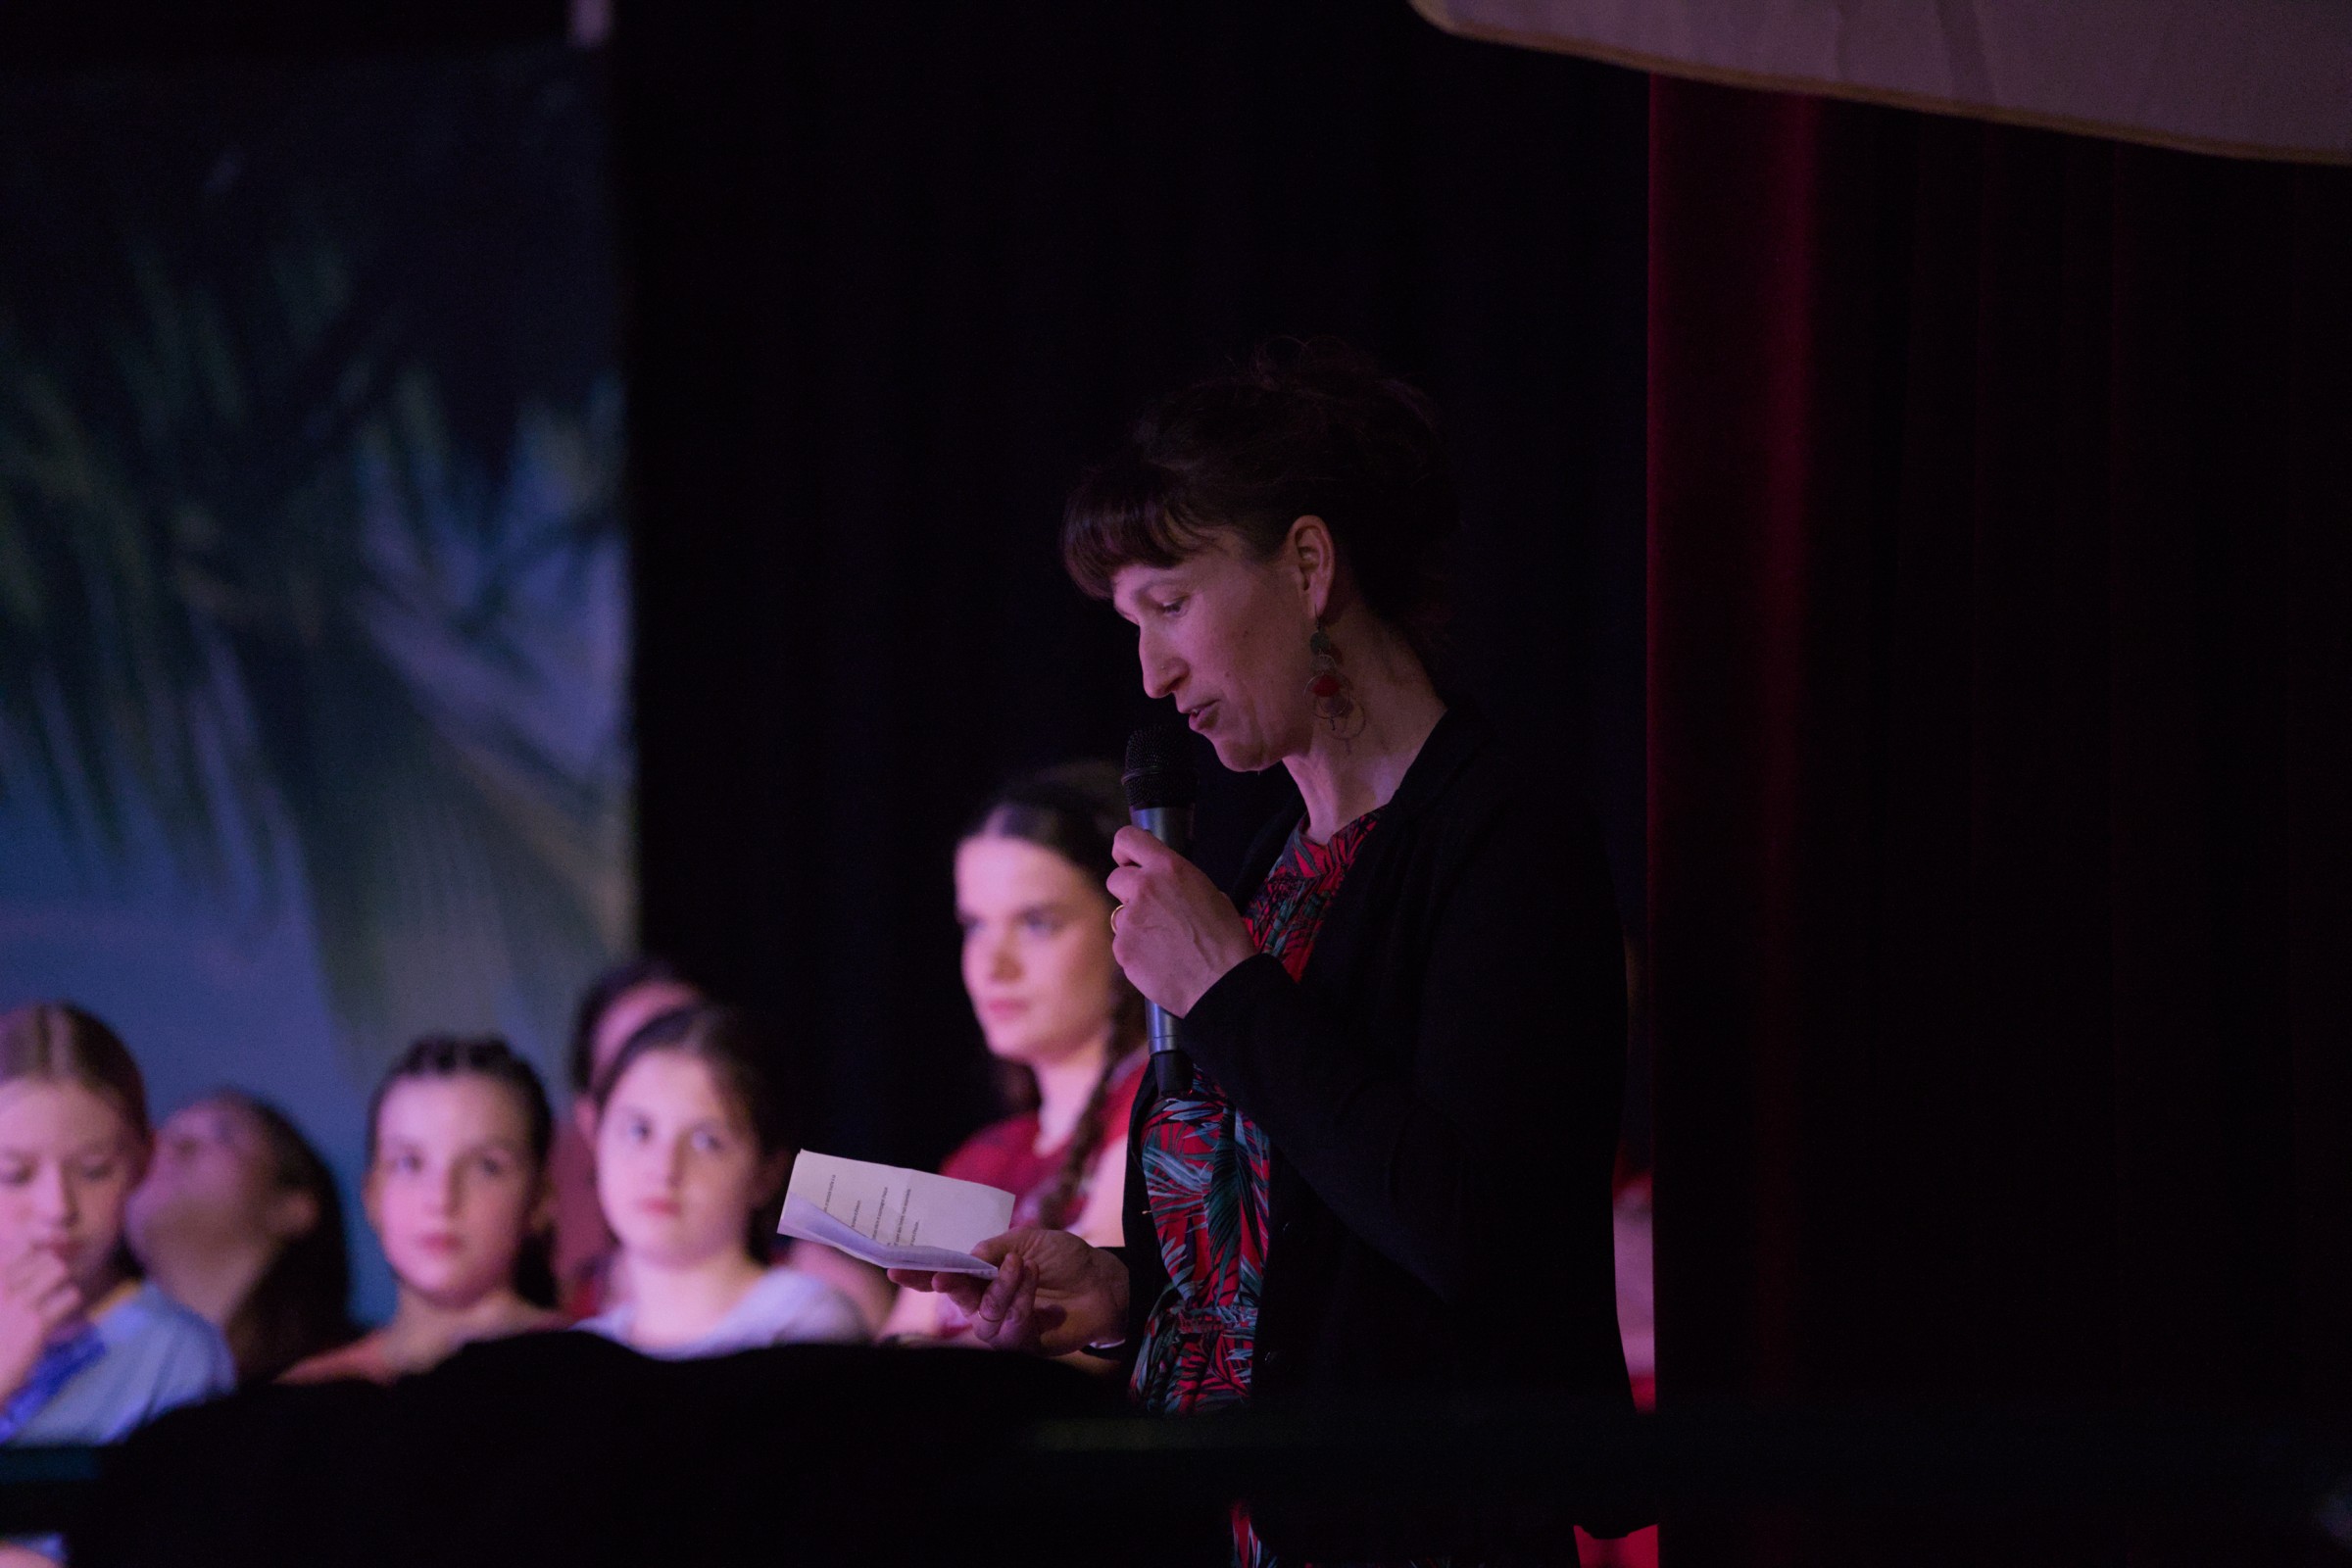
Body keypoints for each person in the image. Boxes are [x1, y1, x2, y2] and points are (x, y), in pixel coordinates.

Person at [891, 342, 1637, 1562]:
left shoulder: (1505, 839)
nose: (1153, 671)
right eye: (1132, 625)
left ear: (1307, 565)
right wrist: (1117, 1289)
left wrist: (1229, 989)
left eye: (1170, 606)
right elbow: (1286, 1254)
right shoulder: (1270, 872)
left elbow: (1468, 1230)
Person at [883, 764, 1147, 1343]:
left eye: (1035, 923)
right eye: (975, 926)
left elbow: (1076, 1346)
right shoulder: (982, 1161)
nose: (992, 966)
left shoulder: (1162, 1110)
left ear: (1123, 924)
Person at [0, 1003, 234, 1568]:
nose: (56, 1208)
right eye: (15, 1174)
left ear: (142, 1160)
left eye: (93, 1169)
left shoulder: (174, 1355)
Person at [575, 1004, 865, 1356]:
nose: (664, 1169)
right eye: (639, 1131)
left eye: (707, 1141)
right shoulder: (579, 1352)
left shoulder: (805, 1324)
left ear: (767, 1173)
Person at [282, 1036, 564, 1384]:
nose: (441, 1199)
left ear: (539, 1199)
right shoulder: (309, 1394)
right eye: (408, 1163)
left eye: (486, 1167)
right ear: (372, 1196)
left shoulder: (597, 1375)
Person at [126, 1090, 359, 1384]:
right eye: (162, 1135)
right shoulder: (94, 1373)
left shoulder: (349, 1378)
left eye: (220, 1135)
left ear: (291, 1207)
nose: (172, 1147)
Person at [550, 956, 704, 1316]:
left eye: (690, 1051)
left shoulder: (812, 1277)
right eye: (629, 1067)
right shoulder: (566, 1316)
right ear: (591, 1123)